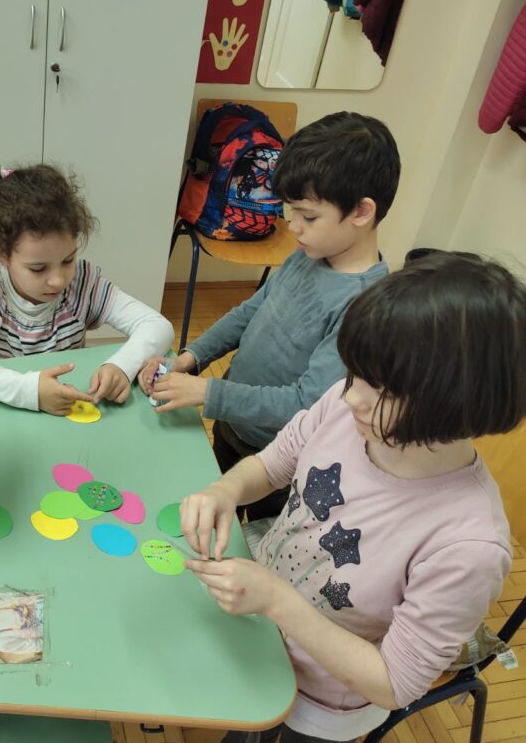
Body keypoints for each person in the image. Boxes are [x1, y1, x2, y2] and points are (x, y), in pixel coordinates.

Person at [155, 252, 523, 743]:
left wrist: (277, 601)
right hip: (268, 633)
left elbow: (394, 682)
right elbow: (273, 463)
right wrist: (225, 490)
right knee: (251, 722)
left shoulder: (468, 544)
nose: (351, 397)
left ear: (459, 406)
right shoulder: (349, 408)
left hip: (333, 692)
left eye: (380, 389)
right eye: (354, 374)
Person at [140, 112, 400, 520]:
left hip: (279, 462)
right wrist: (191, 358)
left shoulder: (364, 308)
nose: (292, 226)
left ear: (361, 212)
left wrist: (208, 394)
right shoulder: (310, 252)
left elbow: (305, 403)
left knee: (253, 540)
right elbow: (252, 311)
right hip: (233, 423)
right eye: (290, 211)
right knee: (215, 512)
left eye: (308, 216)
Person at [0, 162, 174, 415]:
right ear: (2, 254)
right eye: (38, 268)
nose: (59, 280)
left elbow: (157, 325)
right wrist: (29, 391)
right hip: (5, 413)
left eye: (67, 260)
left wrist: (121, 366)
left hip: (69, 413)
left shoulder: (83, 283)